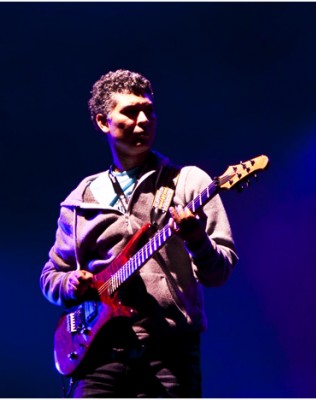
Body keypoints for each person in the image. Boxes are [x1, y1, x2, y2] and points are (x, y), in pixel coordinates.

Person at [40, 69, 238, 397]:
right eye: (131, 112)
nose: (144, 120)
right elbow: (51, 276)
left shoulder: (188, 183)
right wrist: (71, 283)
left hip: (170, 352)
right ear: (103, 122)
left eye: (149, 110)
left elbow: (220, 271)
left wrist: (195, 238)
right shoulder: (79, 201)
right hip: (98, 353)